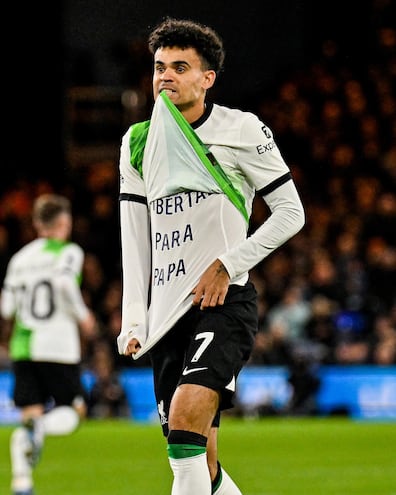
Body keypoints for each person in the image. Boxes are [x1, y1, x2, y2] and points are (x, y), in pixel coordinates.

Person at [117, 17, 305, 495]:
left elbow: (290, 213)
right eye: (160, 67)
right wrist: (134, 317)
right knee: (202, 460)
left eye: (180, 67)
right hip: (167, 315)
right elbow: (135, 236)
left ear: (208, 79)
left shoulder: (240, 128)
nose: (166, 77)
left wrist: (229, 263)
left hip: (224, 305)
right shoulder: (138, 141)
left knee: (184, 430)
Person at [0, 193, 97, 495]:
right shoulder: (68, 252)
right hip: (58, 346)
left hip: (24, 346)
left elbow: (6, 309)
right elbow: (65, 283)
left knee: (30, 413)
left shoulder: (19, 259)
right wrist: (84, 317)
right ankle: (38, 429)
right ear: (64, 222)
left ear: (37, 223)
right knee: (74, 411)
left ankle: (22, 482)